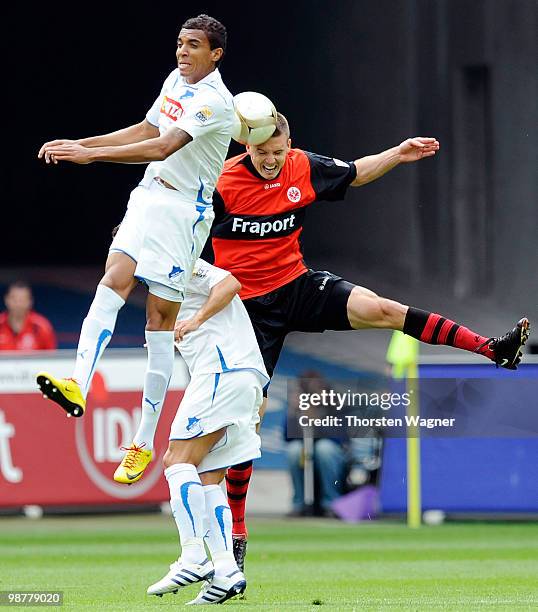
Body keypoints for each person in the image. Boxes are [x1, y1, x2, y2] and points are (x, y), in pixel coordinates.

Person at [210, 113, 530, 568]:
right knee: (248, 420)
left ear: (289, 144)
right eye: (262, 153)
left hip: (298, 286)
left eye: (277, 152)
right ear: (247, 147)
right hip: (245, 310)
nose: (270, 161)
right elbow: (182, 219)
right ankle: (237, 535)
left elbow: (357, 172)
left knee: (383, 309)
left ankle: (491, 349)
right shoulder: (222, 183)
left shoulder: (303, 165)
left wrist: (398, 154)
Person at [35, 13, 235, 477]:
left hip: (184, 213)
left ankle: (143, 440)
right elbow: (147, 130)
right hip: (148, 196)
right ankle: (77, 382)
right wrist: (79, 142)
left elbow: (164, 146)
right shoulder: (175, 80)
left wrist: (93, 157)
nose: (182, 52)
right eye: (180, 43)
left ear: (215, 54)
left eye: (193, 46)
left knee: (158, 320)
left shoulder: (215, 103)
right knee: (113, 279)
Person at [138, 259, 268, 604]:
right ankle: (226, 570)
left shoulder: (180, 261)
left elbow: (229, 284)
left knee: (175, 460)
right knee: (207, 476)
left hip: (223, 371)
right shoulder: (163, 288)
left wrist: (194, 321)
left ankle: (193, 556)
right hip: (242, 377)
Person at [0, 281, 57, 350]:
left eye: (22, 300)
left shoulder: (42, 327)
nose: (18, 304)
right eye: (14, 299)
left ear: (30, 301)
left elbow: (52, 357)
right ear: (6, 300)